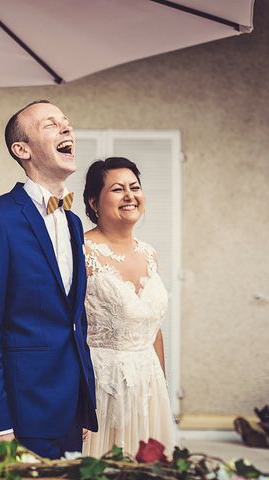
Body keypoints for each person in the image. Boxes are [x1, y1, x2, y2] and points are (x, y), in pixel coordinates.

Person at [0, 100, 98, 459]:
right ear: (21, 149)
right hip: (21, 412)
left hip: (68, 406)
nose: (67, 129)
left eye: (67, 122)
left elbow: (73, 320)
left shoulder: (73, 222)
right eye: (51, 125)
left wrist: (84, 401)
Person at [81, 157, 176, 457]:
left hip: (149, 389)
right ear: (94, 202)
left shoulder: (149, 253)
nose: (129, 195)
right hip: (102, 388)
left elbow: (153, 330)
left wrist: (161, 386)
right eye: (117, 189)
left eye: (134, 187)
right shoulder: (81, 251)